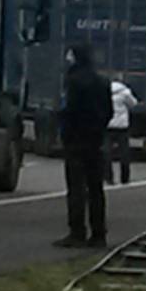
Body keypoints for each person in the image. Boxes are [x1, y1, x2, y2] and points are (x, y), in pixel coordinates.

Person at [53, 45, 112, 249]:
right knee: (96, 189)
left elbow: (68, 109)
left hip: (76, 141)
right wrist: (98, 129)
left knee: (76, 188)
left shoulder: (73, 81)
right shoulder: (102, 82)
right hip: (95, 141)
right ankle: (99, 234)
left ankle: (77, 232)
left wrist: (65, 132)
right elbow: (108, 111)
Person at [105, 80, 137, 185]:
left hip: (108, 126)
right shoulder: (125, 92)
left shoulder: (105, 91)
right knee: (124, 154)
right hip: (122, 126)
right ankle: (125, 178)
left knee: (106, 154)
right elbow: (133, 104)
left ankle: (108, 178)